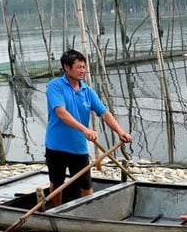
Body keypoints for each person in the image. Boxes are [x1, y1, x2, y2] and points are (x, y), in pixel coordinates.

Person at [44, 49, 132, 207]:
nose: (82, 71)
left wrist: (120, 132)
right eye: (78, 67)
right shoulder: (55, 86)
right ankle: (56, 212)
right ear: (66, 67)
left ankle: (90, 211)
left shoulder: (87, 91)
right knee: (56, 184)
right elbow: (61, 113)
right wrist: (84, 129)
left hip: (78, 147)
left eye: (84, 67)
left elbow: (105, 114)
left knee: (86, 185)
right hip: (56, 145)